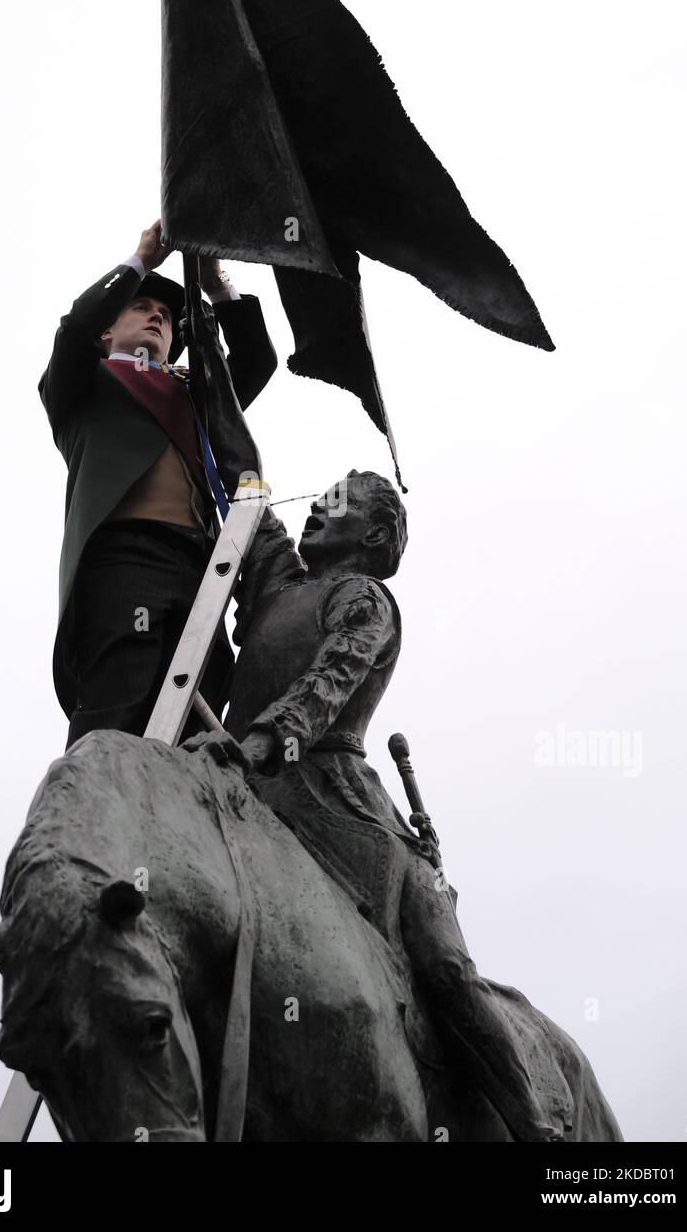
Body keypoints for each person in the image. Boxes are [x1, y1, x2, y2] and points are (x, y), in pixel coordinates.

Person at [223, 472, 575, 1142]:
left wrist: (269, 735)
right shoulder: (276, 584)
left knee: (445, 970)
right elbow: (248, 488)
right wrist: (213, 376)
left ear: (376, 535)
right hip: (248, 786)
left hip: (345, 810)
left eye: (338, 502)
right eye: (320, 498)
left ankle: (533, 1129)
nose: (319, 508)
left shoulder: (367, 601)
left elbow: (331, 680)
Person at [39, 220, 276, 748]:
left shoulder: (195, 392)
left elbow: (258, 361)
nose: (157, 316)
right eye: (142, 308)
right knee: (116, 711)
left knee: (202, 719)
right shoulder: (84, 383)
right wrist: (144, 258)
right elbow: (73, 329)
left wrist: (215, 281)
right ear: (108, 331)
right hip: (125, 559)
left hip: (203, 565)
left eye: (167, 316)